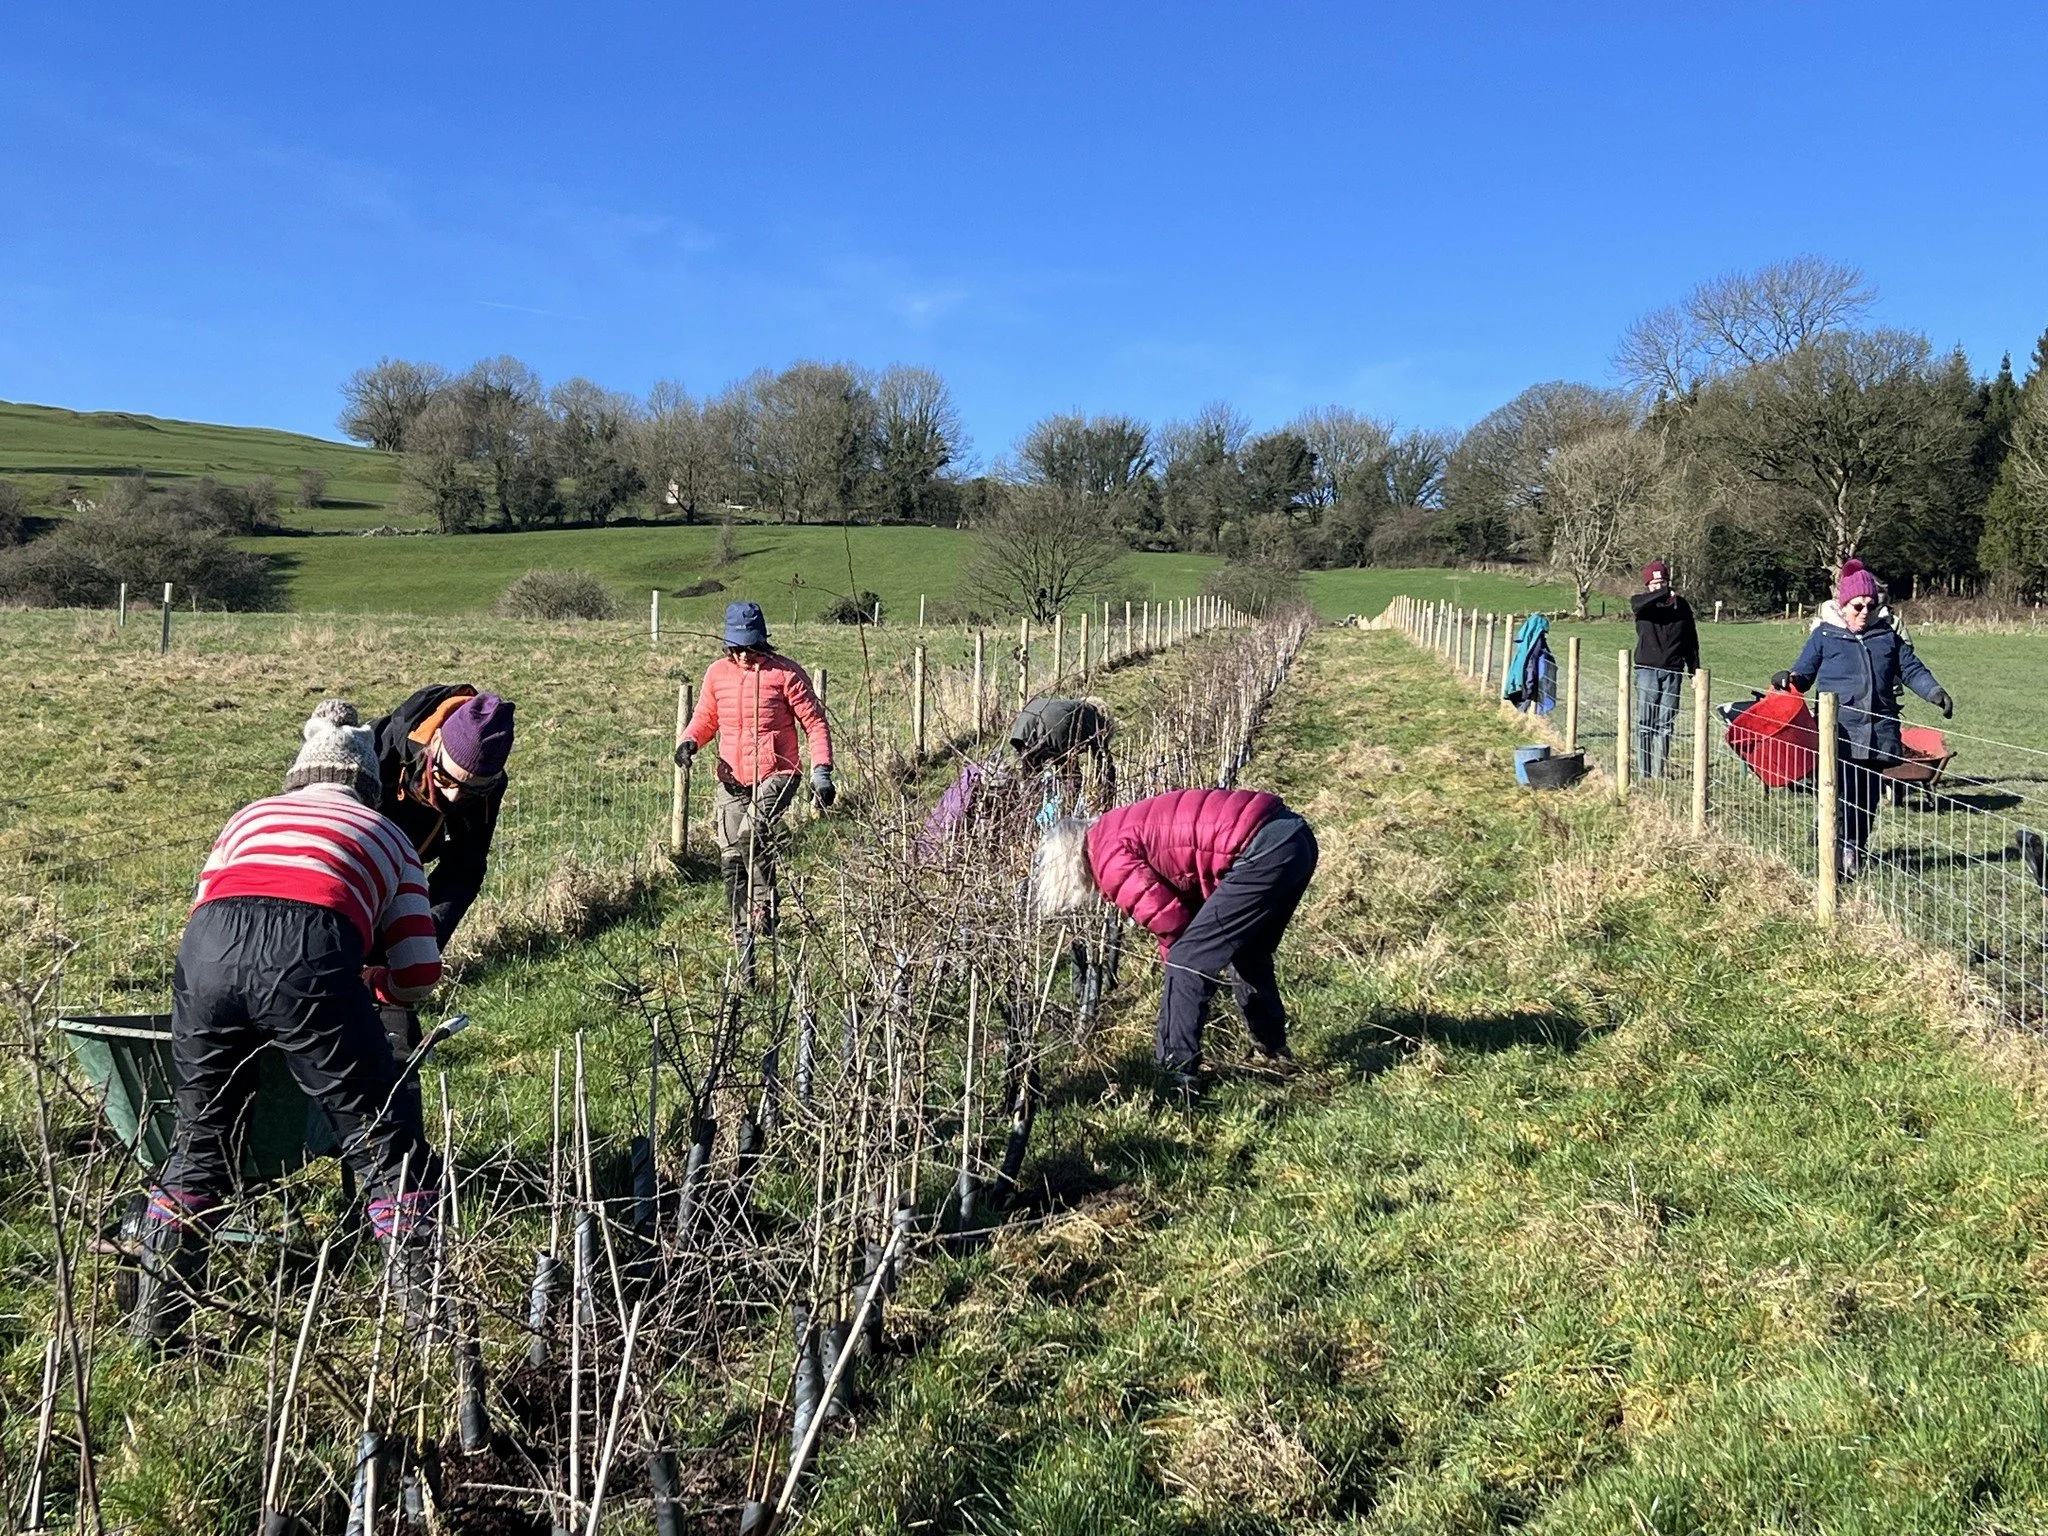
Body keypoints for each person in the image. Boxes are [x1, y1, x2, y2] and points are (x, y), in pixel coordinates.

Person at [135, 703, 445, 1347]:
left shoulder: (247, 817)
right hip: (310, 953)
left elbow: (208, 906)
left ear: (298, 777)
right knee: (383, 1147)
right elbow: (418, 975)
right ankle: (428, 1329)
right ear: (367, 783)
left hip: (208, 953)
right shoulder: (388, 835)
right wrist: (366, 983)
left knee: (199, 1143)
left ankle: (155, 1328)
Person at [1034, 787, 1318, 1092]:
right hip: (1293, 837)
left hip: (1261, 849)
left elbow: (1176, 928)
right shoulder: (1115, 829)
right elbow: (1181, 916)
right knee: (1247, 950)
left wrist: (1177, 974)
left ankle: (1177, 1072)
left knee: (1188, 960)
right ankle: (1272, 1050)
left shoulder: (1108, 858)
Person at [367, 684, 514, 1125]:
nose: (452, 798)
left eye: (468, 792)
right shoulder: (377, 755)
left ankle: (400, 1165)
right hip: (347, 887)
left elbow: (462, 871)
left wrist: (416, 943)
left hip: (401, 893)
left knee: (394, 1038)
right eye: (446, 779)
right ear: (431, 747)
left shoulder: (485, 787)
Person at [1774, 564, 1953, 880]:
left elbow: (1911, 670)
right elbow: (1801, 676)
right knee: (1840, 797)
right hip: (1839, 733)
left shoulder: (1886, 637)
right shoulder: (1824, 637)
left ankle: (1854, 848)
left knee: (1867, 799)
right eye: (1857, 606)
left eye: (1871, 606)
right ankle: (1834, 850)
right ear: (1843, 606)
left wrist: (1935, 693)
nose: (1864, 613)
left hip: (1879, 733)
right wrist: (1787, 680)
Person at [673, 601, 834, 936]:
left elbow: (815, 724)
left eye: (750, 648)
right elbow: (705, 717)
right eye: (736, 648)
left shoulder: (786, 674)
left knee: (751, 836)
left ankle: (764, 908)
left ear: (762, 641)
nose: (743, 656)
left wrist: (822, 773)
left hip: (779, 771)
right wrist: (689, 742)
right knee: (732, 856)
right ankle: (742, 928)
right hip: (732, 777)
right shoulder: (717, 674)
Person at [1630, 561, 1699, 781]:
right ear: (1648, 585)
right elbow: (1638, 605)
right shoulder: (1642, 605)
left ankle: (1659, 774)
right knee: (1645, 724)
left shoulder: (1681, 607)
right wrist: (1662, 594)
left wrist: (1694, 670)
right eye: (1654, 583)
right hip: (1646, 671)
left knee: (1665, 725)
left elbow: (1690, 640)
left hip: (1673, 672)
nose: (1659, 587)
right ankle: (1644, 774)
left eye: (1663, 582)